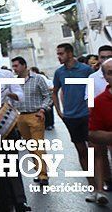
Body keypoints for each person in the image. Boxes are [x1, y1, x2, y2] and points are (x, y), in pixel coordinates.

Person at [52, 42, 94, 184]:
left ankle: (102, 181)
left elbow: (93, 90)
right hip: (70, 117)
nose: (59, 56)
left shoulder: (86, 70)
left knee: (94, 150)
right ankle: (92, 185)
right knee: (81, 151)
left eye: (61, 53)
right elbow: (54, 91)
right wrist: (59, 111)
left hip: (87, 115)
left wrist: (92, 108)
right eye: (58, 54)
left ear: (70, 53)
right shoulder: (59, 72)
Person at [11, 56, 52, 185]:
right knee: (30, 146)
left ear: (24, 65)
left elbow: (47, 96)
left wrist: (42, 110)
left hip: (36, 115)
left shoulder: (38, 79)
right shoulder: (14, 82)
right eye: (13, 66)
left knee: (38, 145)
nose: (14, 69)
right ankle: (38, 170)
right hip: (21, 117)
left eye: (16, 66)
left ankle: (43, 175)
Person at [88, 58, 112, 205]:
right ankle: (99, 189)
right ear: (106, 77)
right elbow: (93, 133)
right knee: (98, 155)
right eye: (111, 73)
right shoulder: (99, 102)